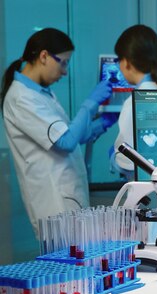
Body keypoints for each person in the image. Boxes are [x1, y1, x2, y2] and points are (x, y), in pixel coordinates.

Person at [0, 28, 113, 237]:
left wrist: (104, 123)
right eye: (63, 62)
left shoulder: (43, 93)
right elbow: (66, 141)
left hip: (67, 199)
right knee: (68, 266)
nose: (65, 71)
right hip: (53, 205)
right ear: (44, 56)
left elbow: (71, 136)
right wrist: (89, 104)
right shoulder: (21, 98)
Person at [110, 24, 157, 180]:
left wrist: (113, 158)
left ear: (126, 62)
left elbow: (126, 163)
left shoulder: (135, 101)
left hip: (148, 192)